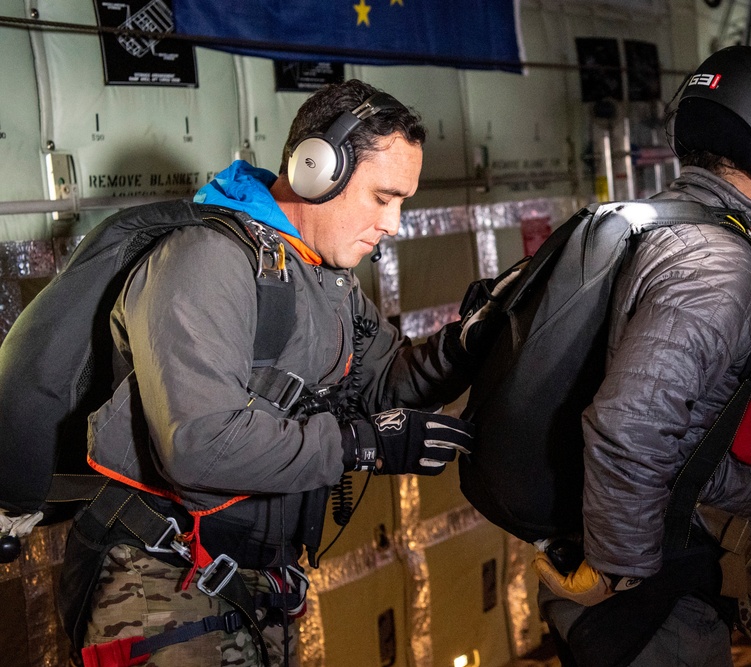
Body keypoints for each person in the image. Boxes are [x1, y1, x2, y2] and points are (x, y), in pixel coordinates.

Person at [58, 80, 492, 666]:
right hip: (161, 588)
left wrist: (468, 342)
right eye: (383, 197)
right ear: (318, 170)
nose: (394, 223)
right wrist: (360, 445)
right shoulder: (204, 259)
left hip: (253, 586)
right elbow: (200, 447)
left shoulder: (320, 275)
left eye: (403, 202)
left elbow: (386, 381)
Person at [530, 45, 751, 666]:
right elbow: (630, 421)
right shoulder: (717, 262)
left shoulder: (653, 227)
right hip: (655, 600)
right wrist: (625, 580)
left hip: (636, 577)